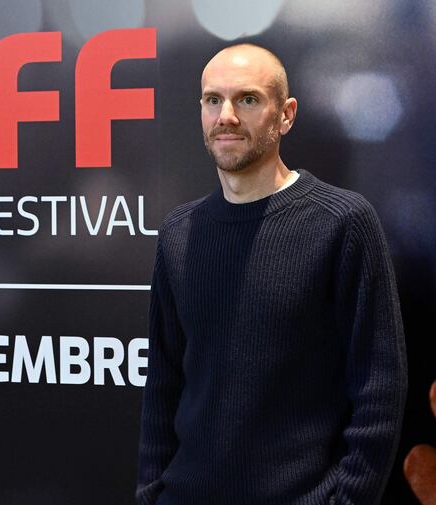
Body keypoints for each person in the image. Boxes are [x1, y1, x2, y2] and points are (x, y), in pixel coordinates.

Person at [136, 43, 408, 505]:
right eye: (212, 100)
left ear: (286, 115)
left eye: (247, 99)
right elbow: (163, 381)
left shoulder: (342, 221)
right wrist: (153, 493)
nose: (226, 116)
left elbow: (380, 387)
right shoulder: (179, 232)